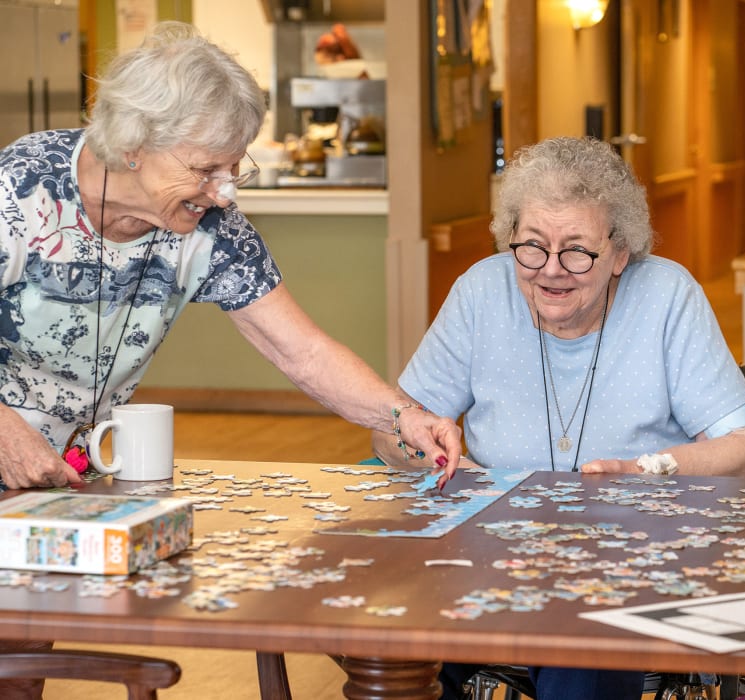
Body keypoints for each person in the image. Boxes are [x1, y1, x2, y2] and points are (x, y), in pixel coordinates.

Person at [0, 21, 460, 699]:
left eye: (234, 166)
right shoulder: (19, 188)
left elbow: (300, 349)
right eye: (206, 167)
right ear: (133, 145)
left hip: (49, 478)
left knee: (21, 651)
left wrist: (404, 416)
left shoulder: (209, 227)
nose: (226, 190)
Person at [372, 136, 745, 700]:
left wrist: (647, 469)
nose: (551, 271)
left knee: (577, 656)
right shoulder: (481, 294)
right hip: (489, 562)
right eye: (531, 247)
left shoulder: (667, 297)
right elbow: (389, 428)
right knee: (393, 645)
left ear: (621, 252)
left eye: (577, 251)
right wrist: (424, 446)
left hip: (629, 568)